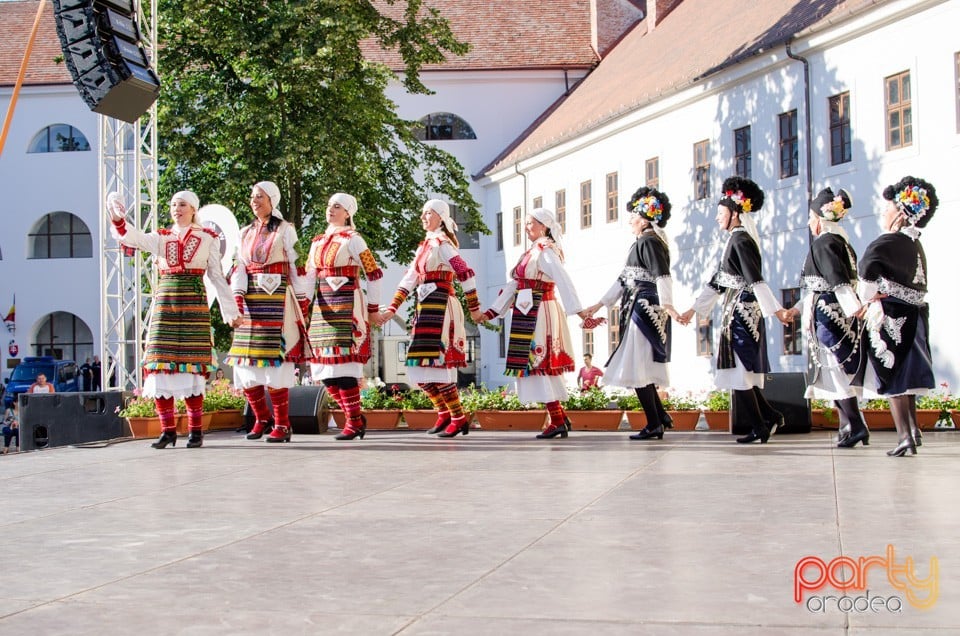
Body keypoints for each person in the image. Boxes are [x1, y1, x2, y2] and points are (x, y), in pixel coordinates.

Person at [109, 190, 241, 449]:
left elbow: (216, 275)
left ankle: (195, 432)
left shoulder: (207, 238)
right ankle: (168, 431)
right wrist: (117, 218)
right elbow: (133, 238)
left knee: (192, 368)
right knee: (159, 366)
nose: (176, 209)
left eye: (182, 204)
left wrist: (230, 311)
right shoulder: (161, 237)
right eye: (172, 205)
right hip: (166, 302)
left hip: (192, 302)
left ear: (193, 208)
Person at [680, 177, 789, 444]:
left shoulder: (740, 241)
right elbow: (719, 281)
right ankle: (770, 416)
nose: (717, 218)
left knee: (738, 373)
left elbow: (755, 280)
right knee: (739, 373)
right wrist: (693, 311)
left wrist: (777, 312)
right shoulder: (735, 240)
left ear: (735, 213)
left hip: (743, 314)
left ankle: (760, 426)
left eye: (720, 213)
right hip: (736, 311)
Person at [476, 208, 591, 439]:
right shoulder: (532, 251)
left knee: (540, 362)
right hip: (526, 311)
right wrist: (491, 311)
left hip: (540, 311)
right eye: (525, 223)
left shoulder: (546, 251)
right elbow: (515, 284)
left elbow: (563, 280)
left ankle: (557, 419)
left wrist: (579, 311)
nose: (526, 226)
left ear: (544, 226)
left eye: (530, 223)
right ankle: (559, 417)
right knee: (536, 364)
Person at [851, 176, 939, 457]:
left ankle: (904, 436)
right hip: (915, 317)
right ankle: (912, 431)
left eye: (888, 208)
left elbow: (866, 270)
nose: (884, 212)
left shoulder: (888, 241)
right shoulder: (915, 244)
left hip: (893, 317)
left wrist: (868, 295)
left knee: (893, 375)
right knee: (907, 376)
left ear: (901, 213)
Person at [583, 186, 680, 440]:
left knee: (637, 367)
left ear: (645, 218)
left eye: (633, 217)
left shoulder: (649, 241)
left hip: (644, 309)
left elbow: (662, 275)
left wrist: (668, 305)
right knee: (641, 366)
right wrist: (600, 304)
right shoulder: (642, 242)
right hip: (638, 307)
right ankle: (660, 418)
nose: (629, 221)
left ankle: (655, 422)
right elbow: (623, 280)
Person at [377, 199, 478, 438]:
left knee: (438, 365)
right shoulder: (425, 247)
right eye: (422, 213)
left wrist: (474, 307)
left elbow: (465, 273)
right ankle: (443, 413)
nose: (423, 217)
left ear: (441, 218)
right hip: (425, 308)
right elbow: (409, 279)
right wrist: (392, 308)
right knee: (418, 368)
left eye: (428, 213)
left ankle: (458, 417)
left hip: (442, 307)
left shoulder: (443, 245)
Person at [782, 187, 869, 448]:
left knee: (835, 369)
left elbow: (837, 282)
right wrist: (797, 309)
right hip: (837, 311)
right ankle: (848, 425)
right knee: (837, 369)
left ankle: (855, 424)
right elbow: (822, 286)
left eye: (810, 217)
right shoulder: (842, 242)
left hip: (831, 316)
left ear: (820, 218)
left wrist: (855, 307)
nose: (809, 223)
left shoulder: (824, 242)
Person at [226, 181, 311, 443]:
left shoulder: (287, 231)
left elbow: (297, 265)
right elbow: (240, 265)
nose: (254, 201)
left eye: (259, 197)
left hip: (278, 300)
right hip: (251, 302)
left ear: (272, 200)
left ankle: (283, 425)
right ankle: (261, 418)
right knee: (245, 362)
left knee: (277, 362)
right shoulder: (245, 232)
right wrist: (237, 297)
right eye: (252, 197)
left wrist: (303, 300)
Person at [303, 193, 384, 441]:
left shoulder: (354, 240)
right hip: (322, 307)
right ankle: (356, 418)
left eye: (337, 206)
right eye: (329, 205)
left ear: (348, 213)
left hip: (348, 304)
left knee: (345, 368)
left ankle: (352, 421)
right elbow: (308, 275)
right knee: (325, 372)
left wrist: (372, 308)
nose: (331, 210)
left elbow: (374, 273)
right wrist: (303, 306)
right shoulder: (317, 242)